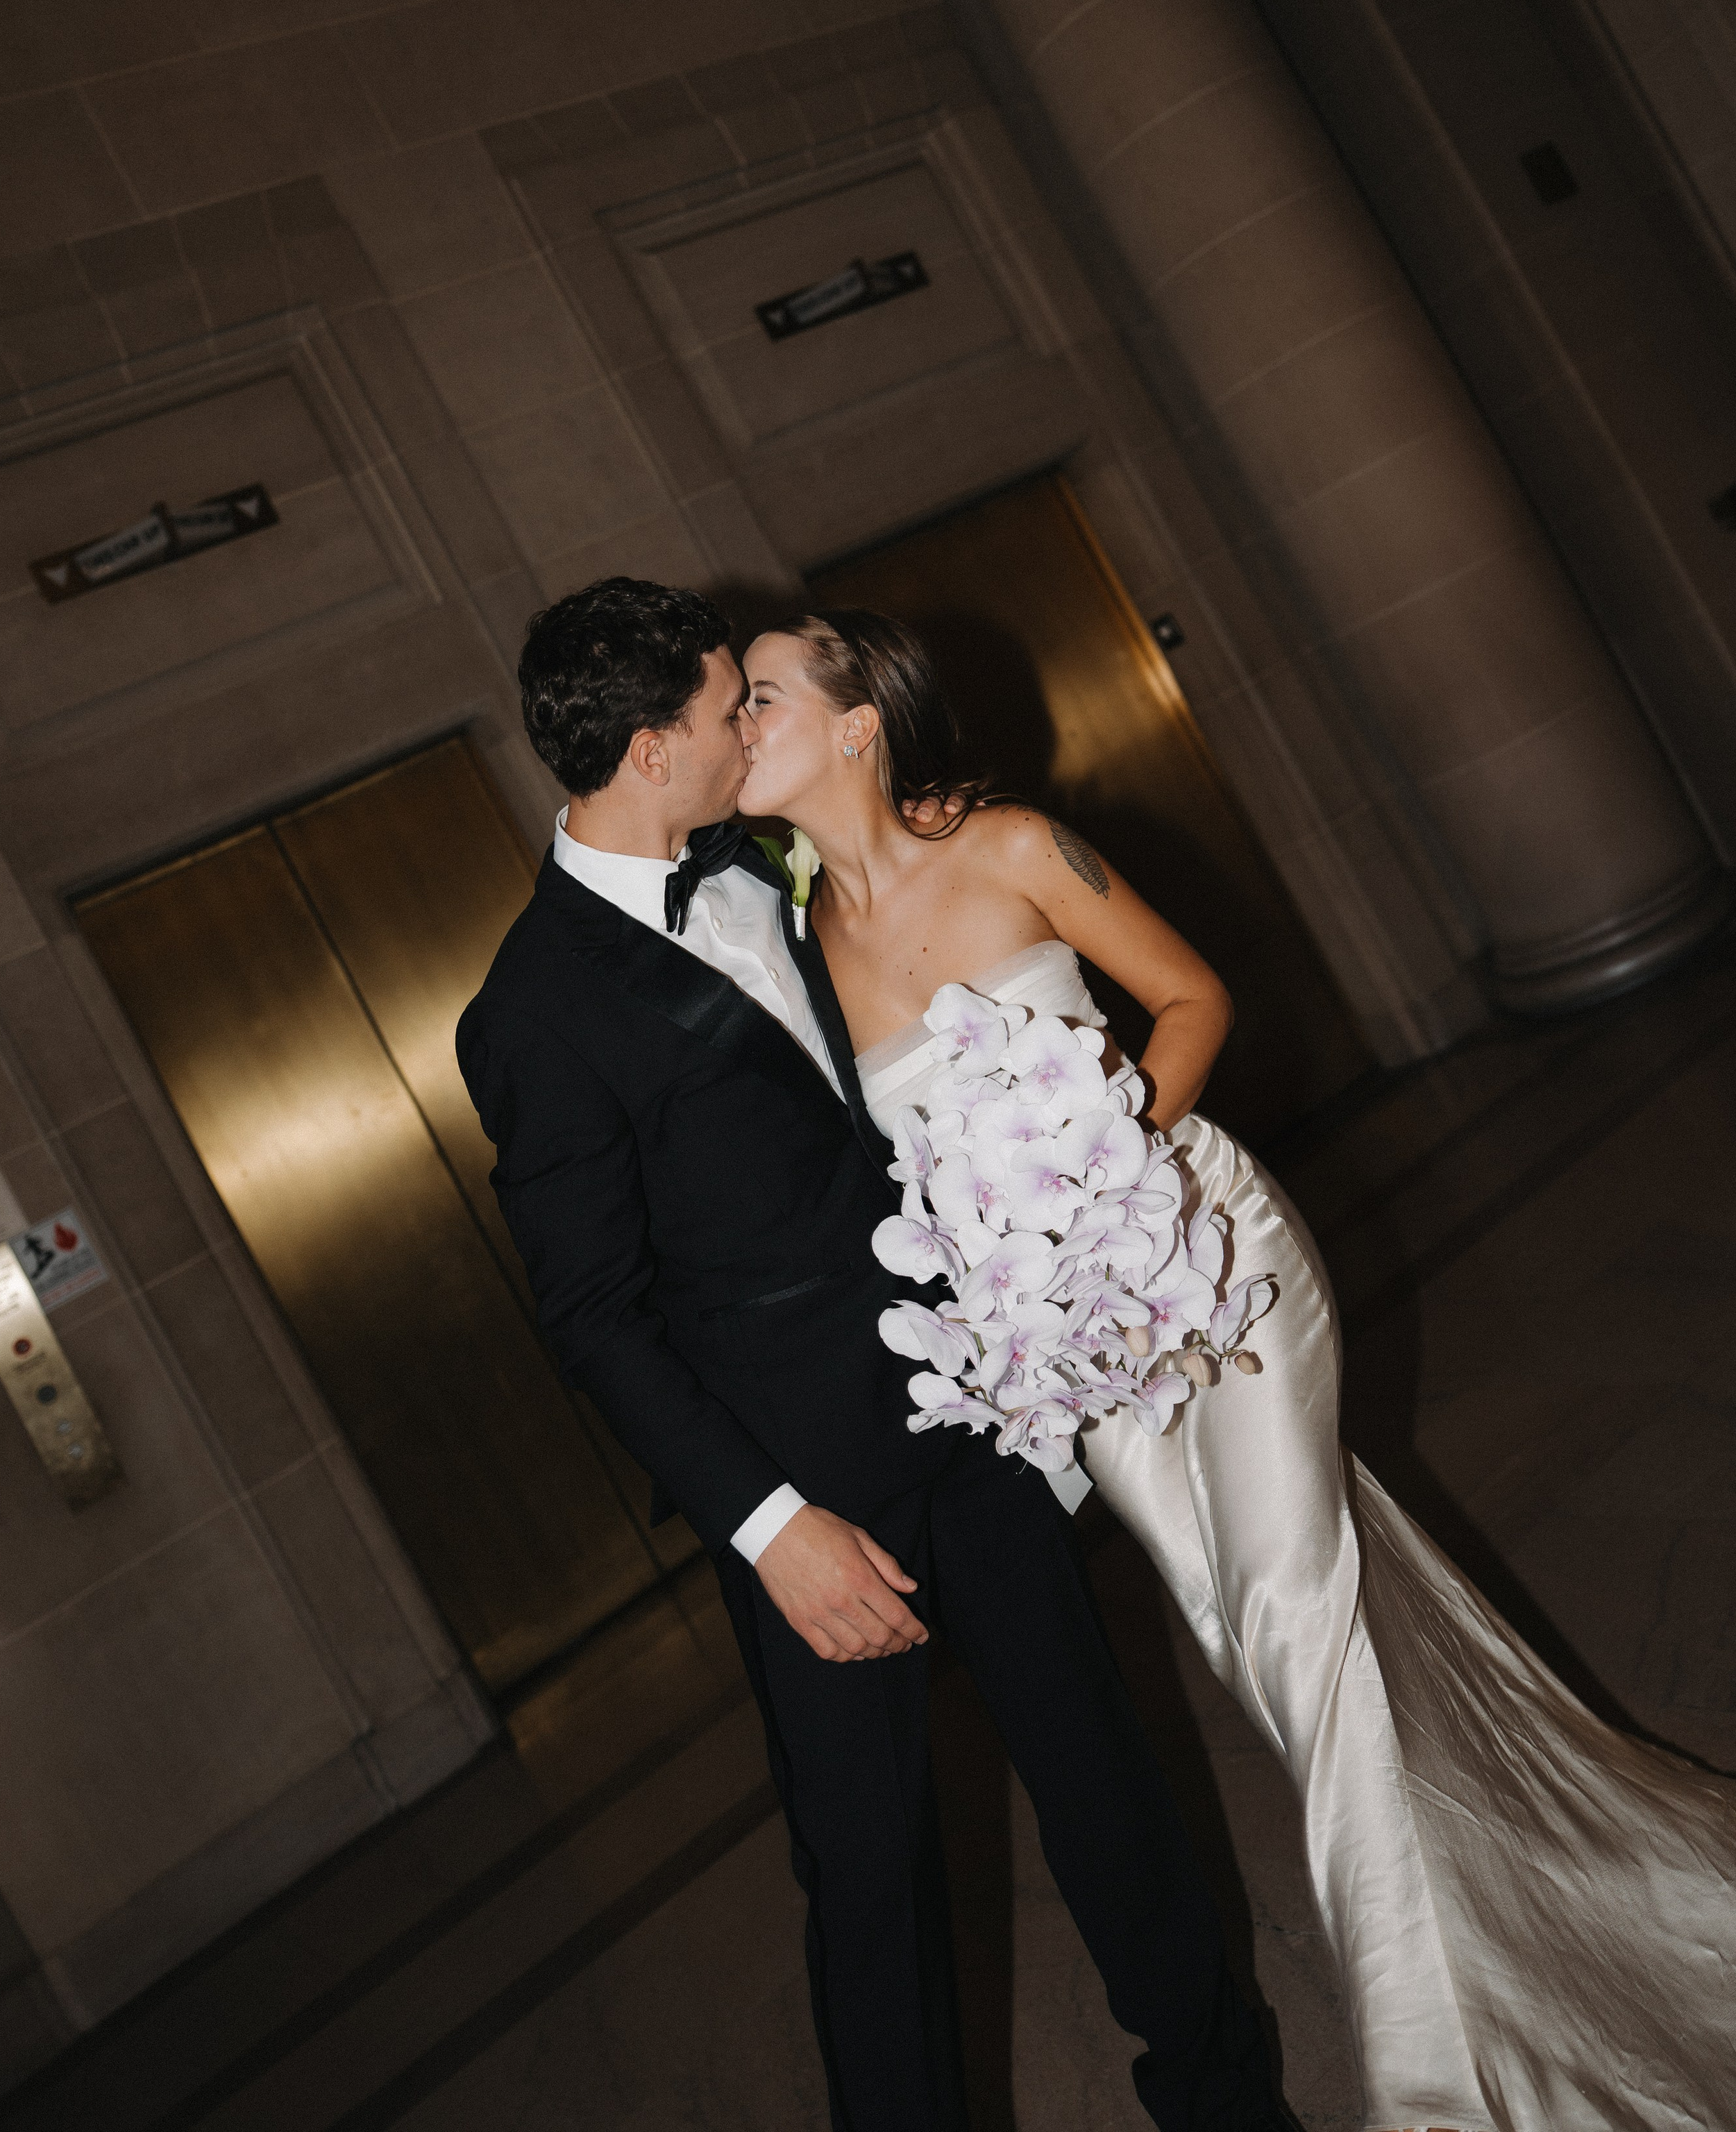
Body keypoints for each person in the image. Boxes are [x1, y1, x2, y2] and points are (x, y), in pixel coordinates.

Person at [735, 604, 1736, 2132]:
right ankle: (1579, 1901)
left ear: (855, 720)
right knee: (1252, 1635)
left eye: (758, 694)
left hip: (1202, 1251)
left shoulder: (1005, 847)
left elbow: (1193, 1000)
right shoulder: (809, 946)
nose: (736, 720)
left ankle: (1438, 2083)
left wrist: (1106, 1170)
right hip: (1077, 1346)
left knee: (1286, 1607)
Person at [457, 575, 1300, 2132]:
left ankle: (1229, 2104)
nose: (748, 729)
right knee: (871, 1879)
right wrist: (772, 1533)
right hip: (804, 1504)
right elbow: (587, 1312)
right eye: (728, 713)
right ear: (654, 752)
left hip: (967, 1423)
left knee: (1105, 1786)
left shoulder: (760, 867)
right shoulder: (532, 1008)